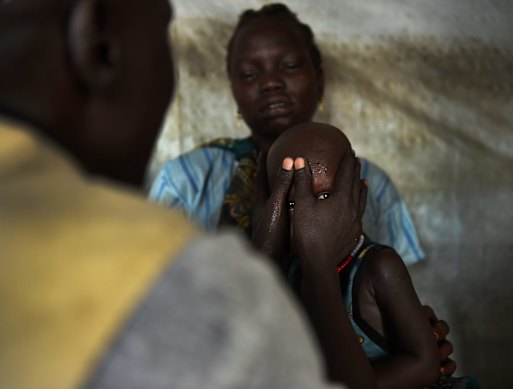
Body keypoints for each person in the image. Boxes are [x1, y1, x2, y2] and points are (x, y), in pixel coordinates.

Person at [0, 1, 346, 388]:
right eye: (162, 33)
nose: (269, 83)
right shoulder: (187, 289)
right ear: (98, 45)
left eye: (289, 66)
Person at [149, 2, 456, 376]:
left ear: (320, 80)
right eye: (249, 73)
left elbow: (383, 302)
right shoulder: (188, 179)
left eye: (290, 66)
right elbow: (157, 312)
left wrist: (409, 338)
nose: (271, 82)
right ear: (232, 91)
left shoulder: (369, 181)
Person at [256, 122, 480, 389]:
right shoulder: (288, 270)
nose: (306, 218)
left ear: (356, 191)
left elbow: (425, 363)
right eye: (291, 204)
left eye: (324, 196)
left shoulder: (379, 267)